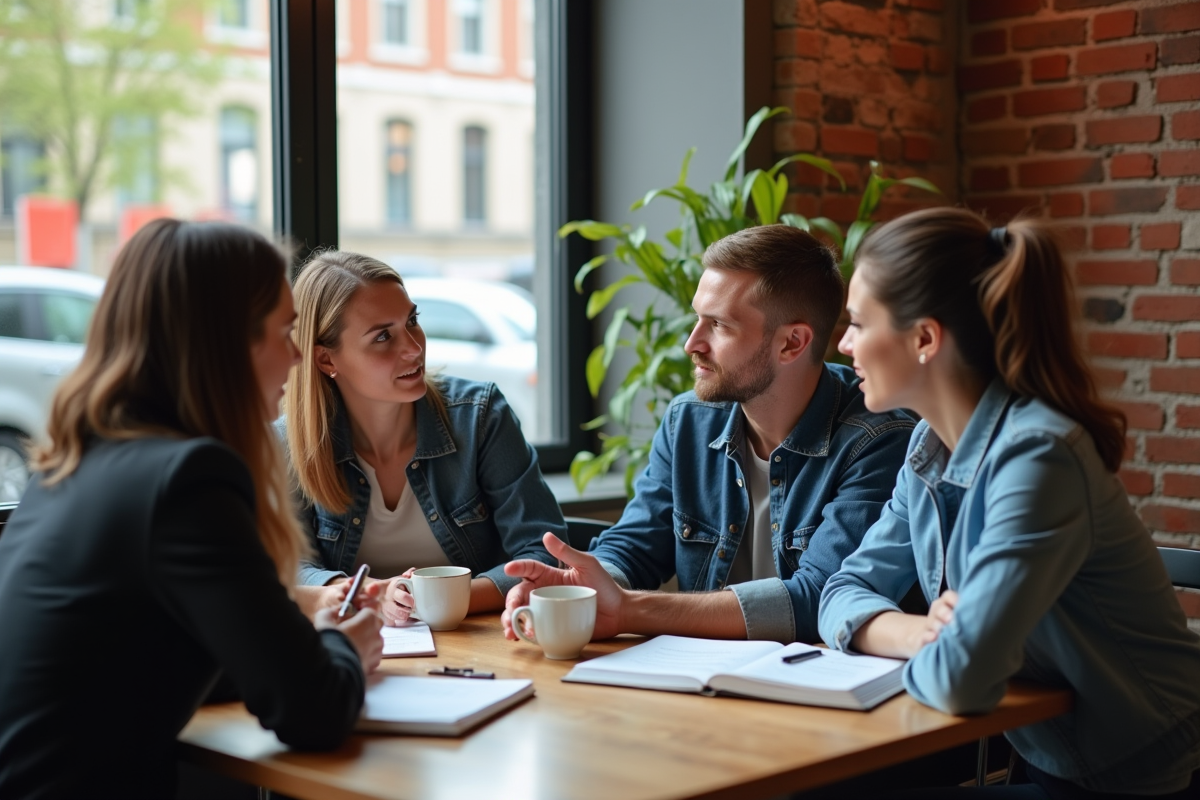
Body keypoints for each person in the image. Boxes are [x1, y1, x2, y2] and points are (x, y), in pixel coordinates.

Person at [819, 207, 1200, 798]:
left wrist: (948, 646)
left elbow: (960, 681)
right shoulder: (928, 445)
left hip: (1135, 775)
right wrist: (918, 632)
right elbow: (840, 593)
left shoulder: (1038, 457)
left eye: (858, 324)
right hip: (1049, 756)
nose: (843, 345)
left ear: (924, 339)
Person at [0, 220, 383, 799]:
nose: (300, 356)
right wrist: (341, 647)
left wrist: (296, 647)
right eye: (284, 333)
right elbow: (313, 712)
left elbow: (157, 661)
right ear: (227, 345)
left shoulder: (75, 463)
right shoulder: (186, 480)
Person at [503, 224, 915, 644]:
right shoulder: (690, 420)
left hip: (821, 693)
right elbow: (636, 544)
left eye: (718, 325)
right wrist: (581, 587)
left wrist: (630, 610)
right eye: (697, 318)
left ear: (792, 343)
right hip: (701, 681)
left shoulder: (878, 438)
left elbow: (819, 597)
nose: (691, 343)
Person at [284, 251, 566, 626]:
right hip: (355, 650)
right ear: (326, 360)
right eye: (383, 336)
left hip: (481, 647)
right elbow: (286, 568)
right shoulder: (289, 443)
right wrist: (365, 594)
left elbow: (544, 555)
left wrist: (421, 598)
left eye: (412, 321)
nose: (414, 348)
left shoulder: (480, 416)